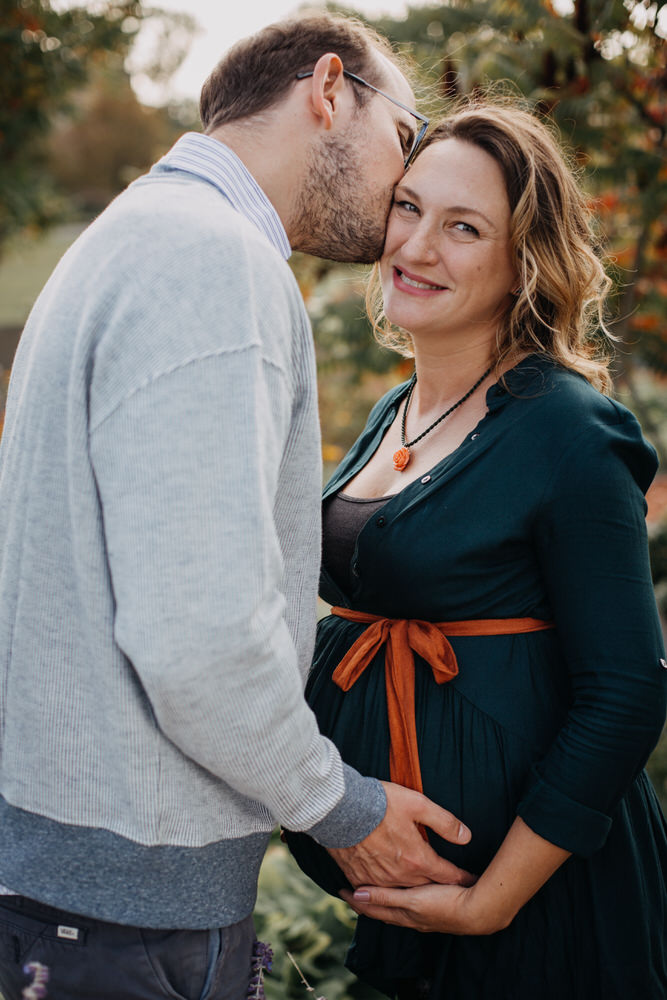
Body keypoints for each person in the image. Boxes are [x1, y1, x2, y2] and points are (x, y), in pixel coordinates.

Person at [0, 13, 474, 1000]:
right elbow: (199, 636)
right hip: (123, 921)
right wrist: (341, 807)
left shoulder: (132, 233)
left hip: (73, 892)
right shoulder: (214, 260)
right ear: (329, 89)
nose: (407, 186)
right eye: (407, 137)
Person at [286, 100, 667, 999]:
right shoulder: (396, 409)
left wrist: (491, 901)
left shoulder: (569, 430)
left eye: (463, 228)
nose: (414, 248)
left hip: (536, 914)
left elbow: (625, 692)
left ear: (522, 262)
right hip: (418, 912)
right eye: (408, 207)